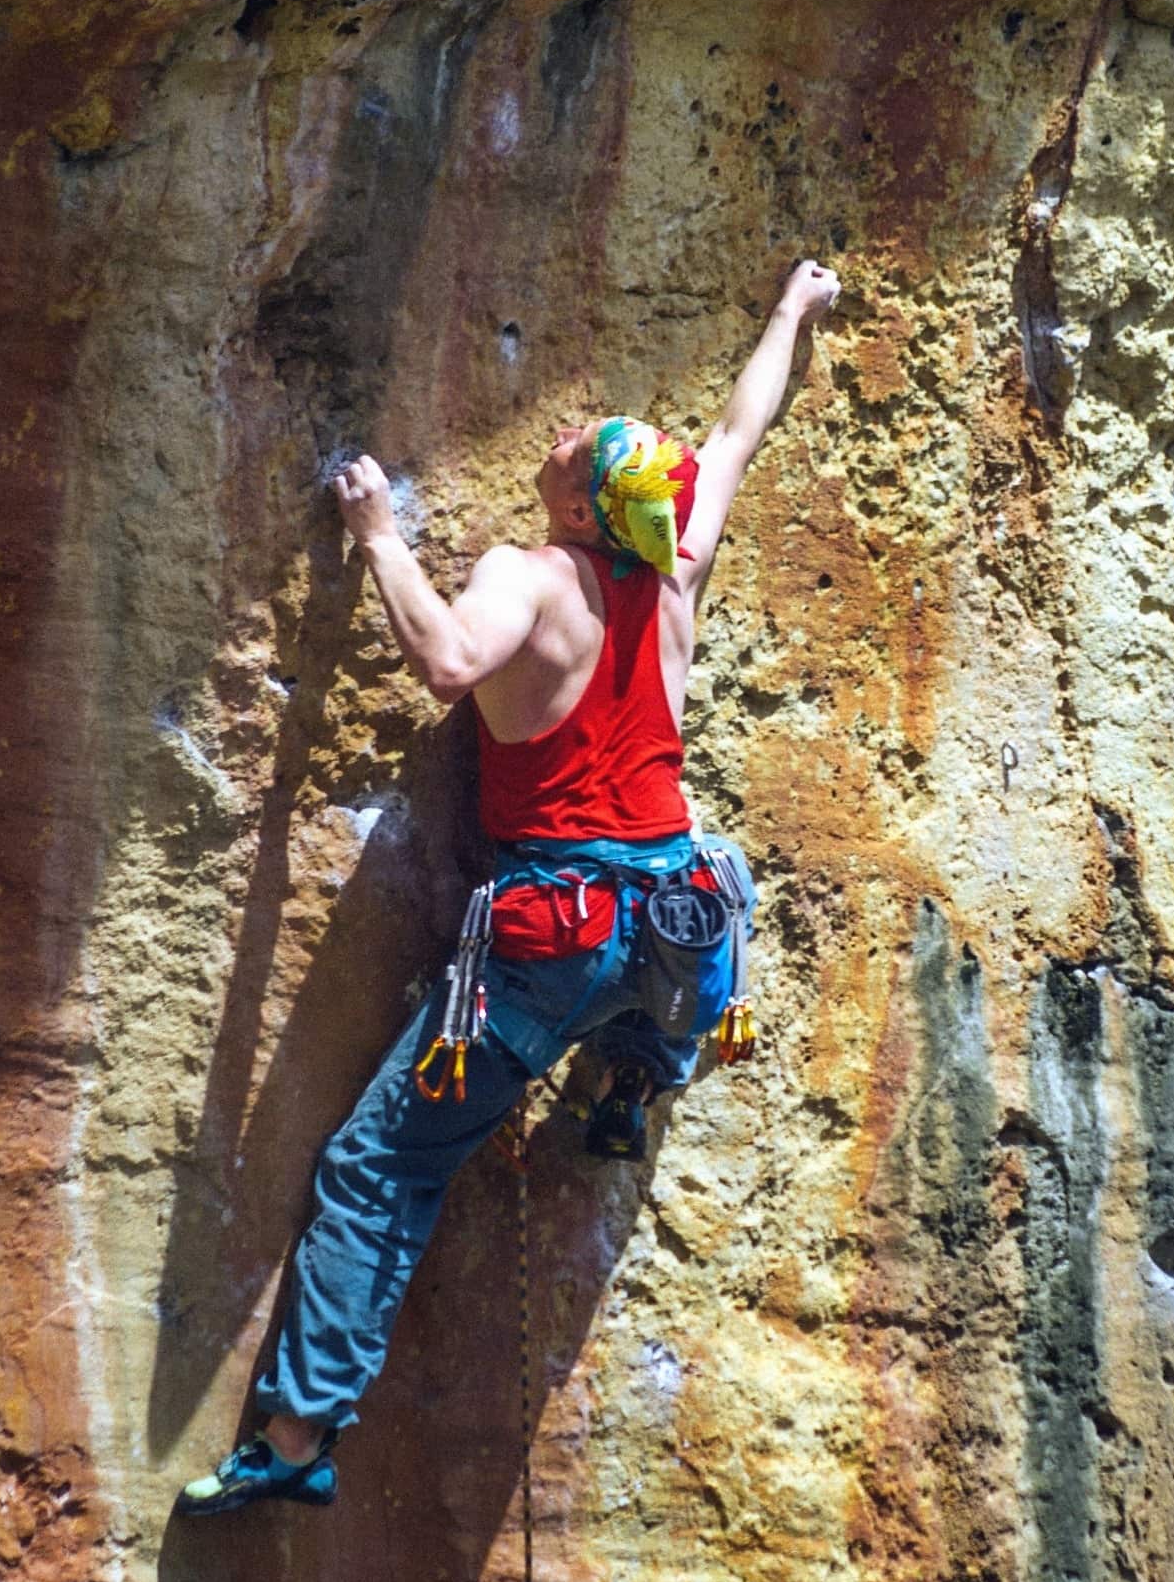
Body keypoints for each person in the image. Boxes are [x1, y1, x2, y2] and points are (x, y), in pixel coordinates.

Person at [177, 258, 841, 1514]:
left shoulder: (535, 577)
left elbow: (444, 661)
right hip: (685, 921)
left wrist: (377, 534)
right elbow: (739, 430)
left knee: (383, 1165)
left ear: (588, 506)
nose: (557, 430)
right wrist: (788, 312)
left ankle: (298, 1439)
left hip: (560, 933)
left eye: (577, 441)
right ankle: (635, 1077)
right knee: (685, 930)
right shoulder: (674, 569)